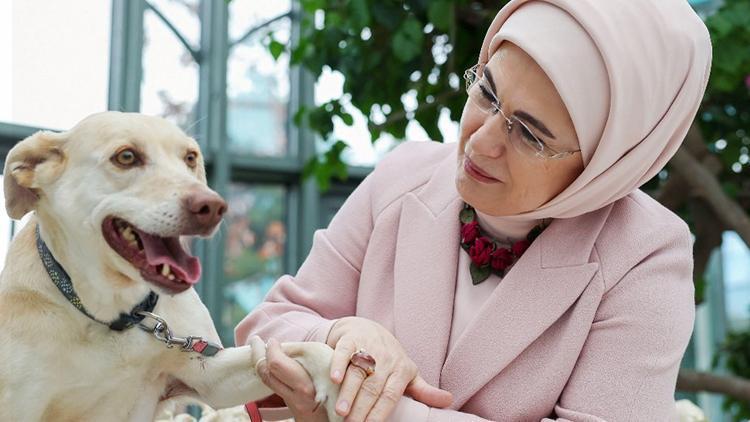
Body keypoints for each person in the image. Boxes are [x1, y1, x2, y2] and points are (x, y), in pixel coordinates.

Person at [235, 0, 712, 420]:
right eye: (486, 92)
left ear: (606, 162)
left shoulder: (645, 253)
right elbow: (266, 328)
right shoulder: (404, 176)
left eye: (529, 134)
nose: (481, 143)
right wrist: (340, 334)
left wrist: (381, 408)